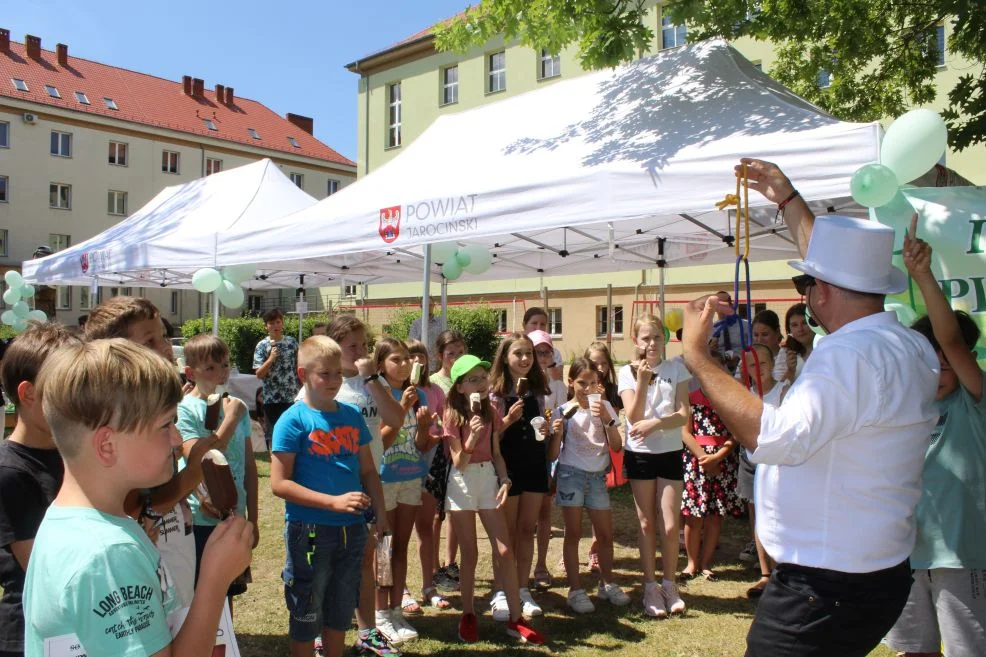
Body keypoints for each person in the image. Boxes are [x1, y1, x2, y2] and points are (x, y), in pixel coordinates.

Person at [680, 157, 940, 657]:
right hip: (876, 571)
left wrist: (698, 356)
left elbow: (774, 439)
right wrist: (786, 198)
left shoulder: (847, 356)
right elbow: (834, 272)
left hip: (826, 585)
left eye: (808, 285)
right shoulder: (908, 346)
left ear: (819, 293)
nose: (807, 293)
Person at [23, 339, 253, 657]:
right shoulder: (109, 554)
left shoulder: (69, 521)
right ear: (107, 445)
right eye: (165, 424)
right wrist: (215, 578)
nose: (176, 439)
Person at [885, 218, 986, 657]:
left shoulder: (974, 403)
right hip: (908, 555)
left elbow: (953, 343)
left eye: (948, 360)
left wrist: (922, 275)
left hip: (963, 557)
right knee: (915, 650)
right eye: (931, 359)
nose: (941, 367)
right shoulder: (907, 409)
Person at [85, 296, 218, 610]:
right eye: (150, 340)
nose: (166, 347)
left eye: (164, 337)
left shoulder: (157, 405)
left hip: (174, 539)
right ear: (116, 351)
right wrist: (195, 472)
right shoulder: (117, 421)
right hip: (145, 554)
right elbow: (138, 510)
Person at [270, 336, 390, 657]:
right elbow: (279, 483)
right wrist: (332, 503)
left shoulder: (351, 416)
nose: (334, 381)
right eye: (325, 373)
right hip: (308, 532)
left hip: (351, 531)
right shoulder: (292, 420)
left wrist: (381, 512)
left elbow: (367, 471)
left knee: (339, 611)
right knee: (306, 611)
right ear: (302, 375)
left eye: (338, 373)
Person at [443, 354, 546, 645]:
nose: (481, 383)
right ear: (460, 387)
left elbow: (497, 454)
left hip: (488, 477)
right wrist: (471, 439)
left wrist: (505, 480)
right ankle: (468, 615)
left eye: (483, 377)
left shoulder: (490, 411)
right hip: (462, 482)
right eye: (473, 379)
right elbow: (458, 462)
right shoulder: (452, 415)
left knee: (504, 551)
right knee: (470, 553)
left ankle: (516, 619)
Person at [327, 315, 405, 657]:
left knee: (366, 556)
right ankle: (323, 632)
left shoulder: (371, 380)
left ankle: (367, 632)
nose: (360, 351)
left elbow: (396, 419)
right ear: (335, 349)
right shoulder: (326, 384)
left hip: (372, 478)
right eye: (352, 346)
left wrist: (371, 378)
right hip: (335, 482)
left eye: (363, 344)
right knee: (330, 560)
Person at [0, 323, 80, 657]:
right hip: (31, 637)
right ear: (29, 394)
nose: (78, 401)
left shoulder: (73, 454)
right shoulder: (10, 472)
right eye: (66, 390)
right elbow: (45, 569)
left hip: (78, 625)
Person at [176, 334, 258, 615]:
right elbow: (202, 458)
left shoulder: (236, 406)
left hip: (234, 514)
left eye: (224, 365)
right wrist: (230, 420)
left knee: (226, 592)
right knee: (200, 592)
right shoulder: (183, 410)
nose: (220, 373)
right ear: (190, 372)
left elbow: (248, 466)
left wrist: (253, 518)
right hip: (200, 518)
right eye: (210, 367)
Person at [617, 314, 690, 618]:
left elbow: (683, 414)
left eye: (657, 337)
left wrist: (656, 423)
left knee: (670, 525)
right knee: (646, 523)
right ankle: (650, 586)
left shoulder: (677, 369)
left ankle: (669, 584)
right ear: (636, 341)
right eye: (645, 338)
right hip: (641, 455)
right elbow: (633, 416)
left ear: (665, 338)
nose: (651, 343)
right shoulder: (626, 372)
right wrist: (643, 380)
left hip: (670, 452)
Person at [547, 358, 629, 614]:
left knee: (605, 534)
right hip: (571, 474)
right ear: (571, 383)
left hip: (596, 478)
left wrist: (607, 419)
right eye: (582, 383)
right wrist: (557, 433)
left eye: (593, 383)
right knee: (572, 534)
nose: (587, 388)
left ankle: (608, 583)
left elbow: (616, 446)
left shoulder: (604, 406)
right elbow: (552, 455)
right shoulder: (563, 411)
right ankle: (575, 590)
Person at [374, 337, 439, 644]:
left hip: (411, 476)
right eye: (396, 360)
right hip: (385, 479)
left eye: (406, 360)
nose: (404, 365)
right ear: (380, 364)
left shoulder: (418, 395)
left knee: (400, 547)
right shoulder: (378, 395)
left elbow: (419, 446)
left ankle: (396, 608)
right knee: (383, 550)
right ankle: (380, 612)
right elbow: (379, 443)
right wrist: (401, 408)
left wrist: (425, 429)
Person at [489, 332, 551, 619]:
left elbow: (542, 428)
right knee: (507, 532)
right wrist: (507, 420)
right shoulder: (495, 391)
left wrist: (549, 430)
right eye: (518, 353)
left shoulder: (538, 389)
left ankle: (523, 588)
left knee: (528, 530)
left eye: (529, 353)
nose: (525, 359)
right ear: (505, 357)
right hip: (508, 466)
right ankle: (501, 589)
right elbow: (489, 437)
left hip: (535, 464)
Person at [679, 346, 743, 583]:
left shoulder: (731, 398)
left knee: (715, 517)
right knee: (693, 516)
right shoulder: (689, 394)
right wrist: (703, 458)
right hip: (696, 462)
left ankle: (706, 563)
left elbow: (736, 433)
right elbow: (685, 432)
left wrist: (718, 458)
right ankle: (691, 563)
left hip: (723, 463)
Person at [736, 344, 787, 598]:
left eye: (763, 363)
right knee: (757, 517)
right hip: (751, 462)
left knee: (779, 516)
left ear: (773, 362)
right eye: (752, 365)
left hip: (778, 464)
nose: (758, 369)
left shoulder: (784, 391)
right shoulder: (747, 395)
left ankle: (782, 572)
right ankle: (765, 573)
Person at [404, 340, 452, 612]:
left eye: (420, 356)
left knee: (427, 526)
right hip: (400, 465)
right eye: (409, 357)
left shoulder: (432, 391)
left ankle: (428, 586)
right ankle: (401, 590)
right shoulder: (398, 392)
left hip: (431, 462)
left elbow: (443, 421)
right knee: (398, 532)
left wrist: (439, 435)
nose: (415, 362)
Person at [427, 329, 465, 592]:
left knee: (456, 511)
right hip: (438, 454)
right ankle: (433, 566)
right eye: (451, 353)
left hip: (463, 453)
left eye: (461, 352)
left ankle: (451, 563)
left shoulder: (468, 380)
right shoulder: (432, 382)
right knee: (436, 513)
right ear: (440, 355)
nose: (456, 357)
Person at [529, 329, 567, 591]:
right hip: (523, 452)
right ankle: (518, 570)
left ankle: (541, 565)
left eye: (547, 352)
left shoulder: (558, 385)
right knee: (522, 517)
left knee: (544, 513)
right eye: (537, 352)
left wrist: (553, 430)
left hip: (546, 453)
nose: (543, 357)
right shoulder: (520, 383)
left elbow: (561, 417)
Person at [583, 341, 625, 572]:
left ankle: (595, 551)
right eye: (594, 363)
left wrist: (603, 403)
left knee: (599, 505)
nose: (599, 368)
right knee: (578, 505)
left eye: (603, 363)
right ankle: (571, 553)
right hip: (580, 454)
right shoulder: (578, 389)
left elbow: (613, 425)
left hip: (604, 452)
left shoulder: (612, 391)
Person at [253, 308, 300, 448]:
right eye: (271, 323)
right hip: (272, 399)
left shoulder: (292, 343)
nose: (275, 326)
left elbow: (299, 367)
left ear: (283, 323)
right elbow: (259, 374)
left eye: (278, 322)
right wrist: (271, 359)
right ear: (266, 326)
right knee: (274, 437)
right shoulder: (262, 346)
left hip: (292, 397)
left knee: (294, 434)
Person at [774, 303, 813, 384]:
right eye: (794, 325)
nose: (800, 329)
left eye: (804, 323)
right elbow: (777, 389)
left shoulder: (825, 347)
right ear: (789, 330)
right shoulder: (785, 352)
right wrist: (790, 371)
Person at [712, 291, 751, 372]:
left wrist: (740, 358)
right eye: (718, 303)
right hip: (720, 370)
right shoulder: (711, 329)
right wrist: (710, 349)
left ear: (731, 304)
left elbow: (755, 348)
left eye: (724, 302)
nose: (721, 306)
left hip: (744, 370)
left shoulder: (746, 326)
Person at [522, 307, 563, 383]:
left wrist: (550, 365)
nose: (538, 327)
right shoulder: (518, 350)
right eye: (534, 323)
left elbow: (559, 381)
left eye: (542, 324)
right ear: (524, 325)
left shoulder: (554, 353)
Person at [408, 300, 444, 370]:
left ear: (434, 306)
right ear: (421, 307)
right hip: (420, 365)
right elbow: (411, 344)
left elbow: (445, 341)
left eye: (430, 305)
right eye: (425, 305)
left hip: (437, 364)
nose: (428, 307)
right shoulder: (416, 324)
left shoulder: (441, 323)